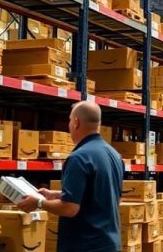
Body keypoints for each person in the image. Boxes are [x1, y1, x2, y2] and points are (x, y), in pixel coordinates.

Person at [18, 101, 124, 252]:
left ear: (76, 122)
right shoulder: (114, 155)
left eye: (69, 120)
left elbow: (70, 208)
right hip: (110, 244)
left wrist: (39, 202)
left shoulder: (79, 158)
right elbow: (110, 196)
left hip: (85, 246)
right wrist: (55, 195)